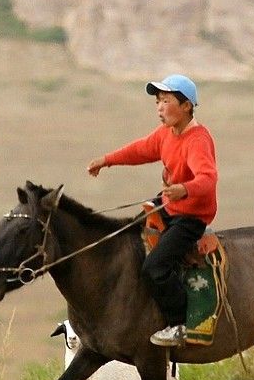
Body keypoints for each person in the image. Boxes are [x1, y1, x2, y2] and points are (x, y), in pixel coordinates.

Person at [87, 74, 218, 346]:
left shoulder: (197, 140)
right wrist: (106, 160)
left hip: (190, 216)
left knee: (155, 267)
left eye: (166, 101)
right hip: (169, 204)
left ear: (186, 106)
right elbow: (140, 150)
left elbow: (208, 178)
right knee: (128, 240)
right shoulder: (166, 134)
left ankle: (180, 324)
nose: (159, 107)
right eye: (157, 102)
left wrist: (185, 189)